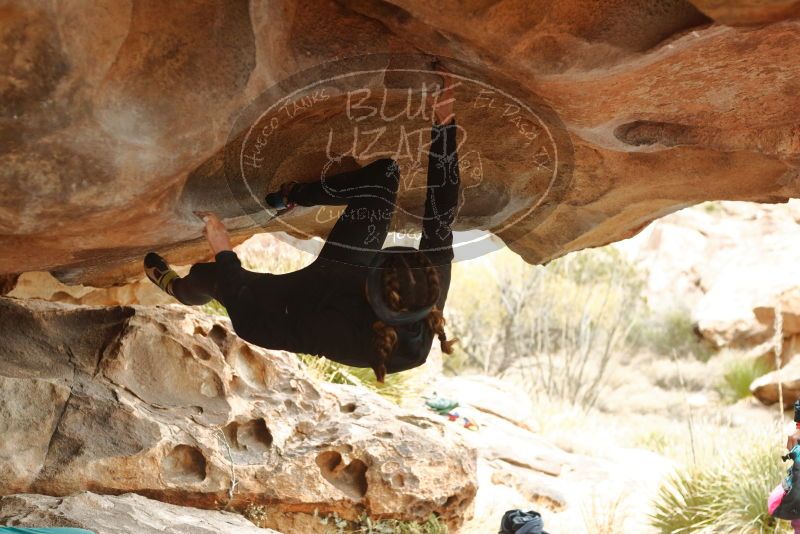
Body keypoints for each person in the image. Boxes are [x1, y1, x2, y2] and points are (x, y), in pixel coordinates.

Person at [144, 62, 460, 382]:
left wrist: (225, 253)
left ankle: (179, 290)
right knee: (384, 177)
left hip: (301, 300)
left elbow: (248, 317)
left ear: (372, 289)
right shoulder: (427, 283)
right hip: (345, 269)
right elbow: (440, 214)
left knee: (207, 276)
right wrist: (444, 125)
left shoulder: (329, 327)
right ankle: (295, 195)